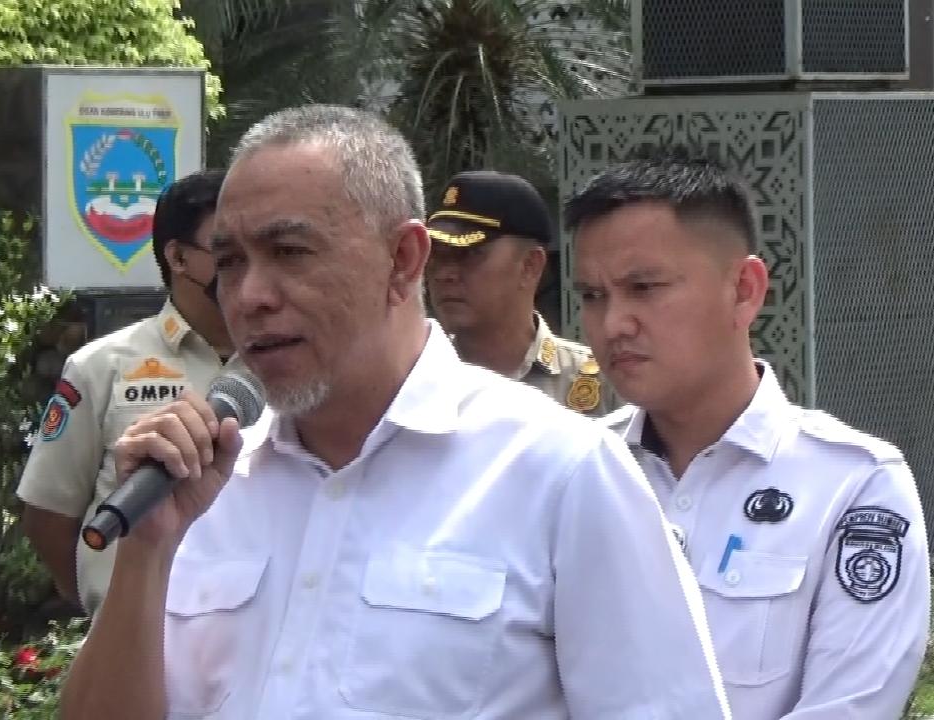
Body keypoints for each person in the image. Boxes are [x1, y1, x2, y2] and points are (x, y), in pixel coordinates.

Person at [59, 105, 732, 719]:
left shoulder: (558, 472)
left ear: (404, 260)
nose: (251, 295)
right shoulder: (201, 490)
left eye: (289, 252)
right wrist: (147, 553)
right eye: (230, 262)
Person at [566, 151, 931, 719]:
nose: (613, 324)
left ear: (744, 289)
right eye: (593, 296)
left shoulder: (853, 487)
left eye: (644, 287)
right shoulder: (573, 471)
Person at [15, 169, 235, 616]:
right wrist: (106, 602)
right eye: (226, 251)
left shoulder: (286, 362)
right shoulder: (101, 365)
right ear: (178, 257)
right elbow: (48, 517)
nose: (247, 267)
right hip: (138, 634)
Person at [426, 170, 618, 415]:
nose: (445, 274)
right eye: (437, 255)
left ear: (530, 266)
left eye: (469, 254)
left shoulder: (603, 384)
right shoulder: (411, 385)